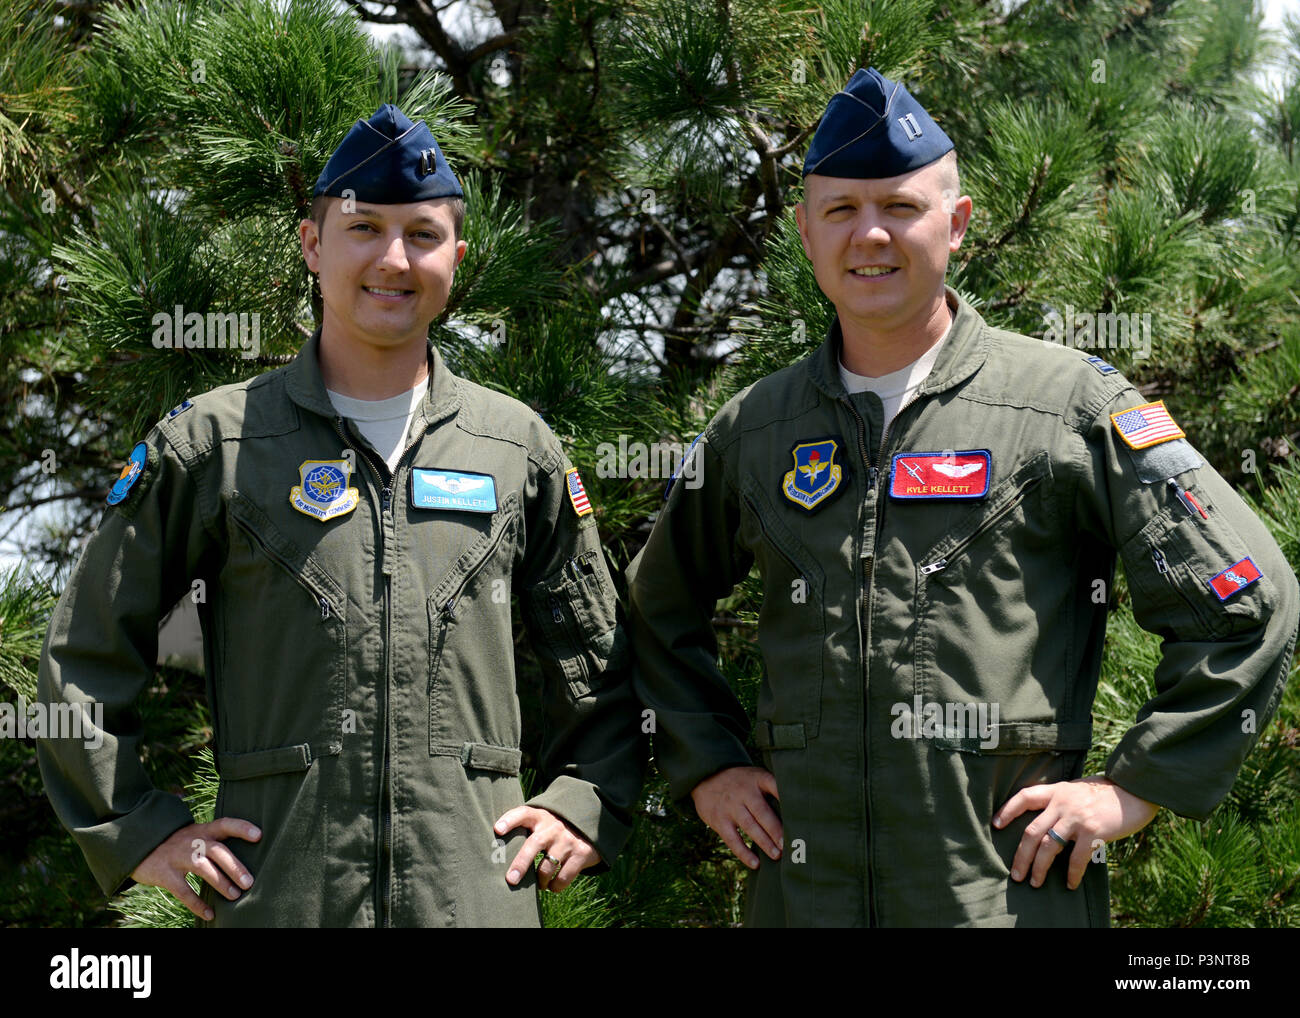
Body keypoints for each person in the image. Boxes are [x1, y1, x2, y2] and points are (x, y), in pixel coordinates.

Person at [625, 68, 1299, 927]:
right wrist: (706, 763)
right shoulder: (753, 429)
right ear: (803, 230)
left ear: (959, 223)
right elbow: (655, 612)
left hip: (999, 899)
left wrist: (1134, 789)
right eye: (841, 211)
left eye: (901, 207)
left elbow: (1248, 595)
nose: (871, 235)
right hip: (802, 900)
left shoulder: (1066, 404)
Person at [37, 104, 644, 927]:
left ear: (456, 260)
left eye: (422, 235)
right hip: (283, 897)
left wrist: (586, 800)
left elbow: (607, 665)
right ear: (313, 245)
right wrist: (140, 830)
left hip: (473, 900)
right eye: (364, 228)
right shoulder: (216, 442)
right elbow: (84, 650)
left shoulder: (516, 448)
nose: (394, 259)